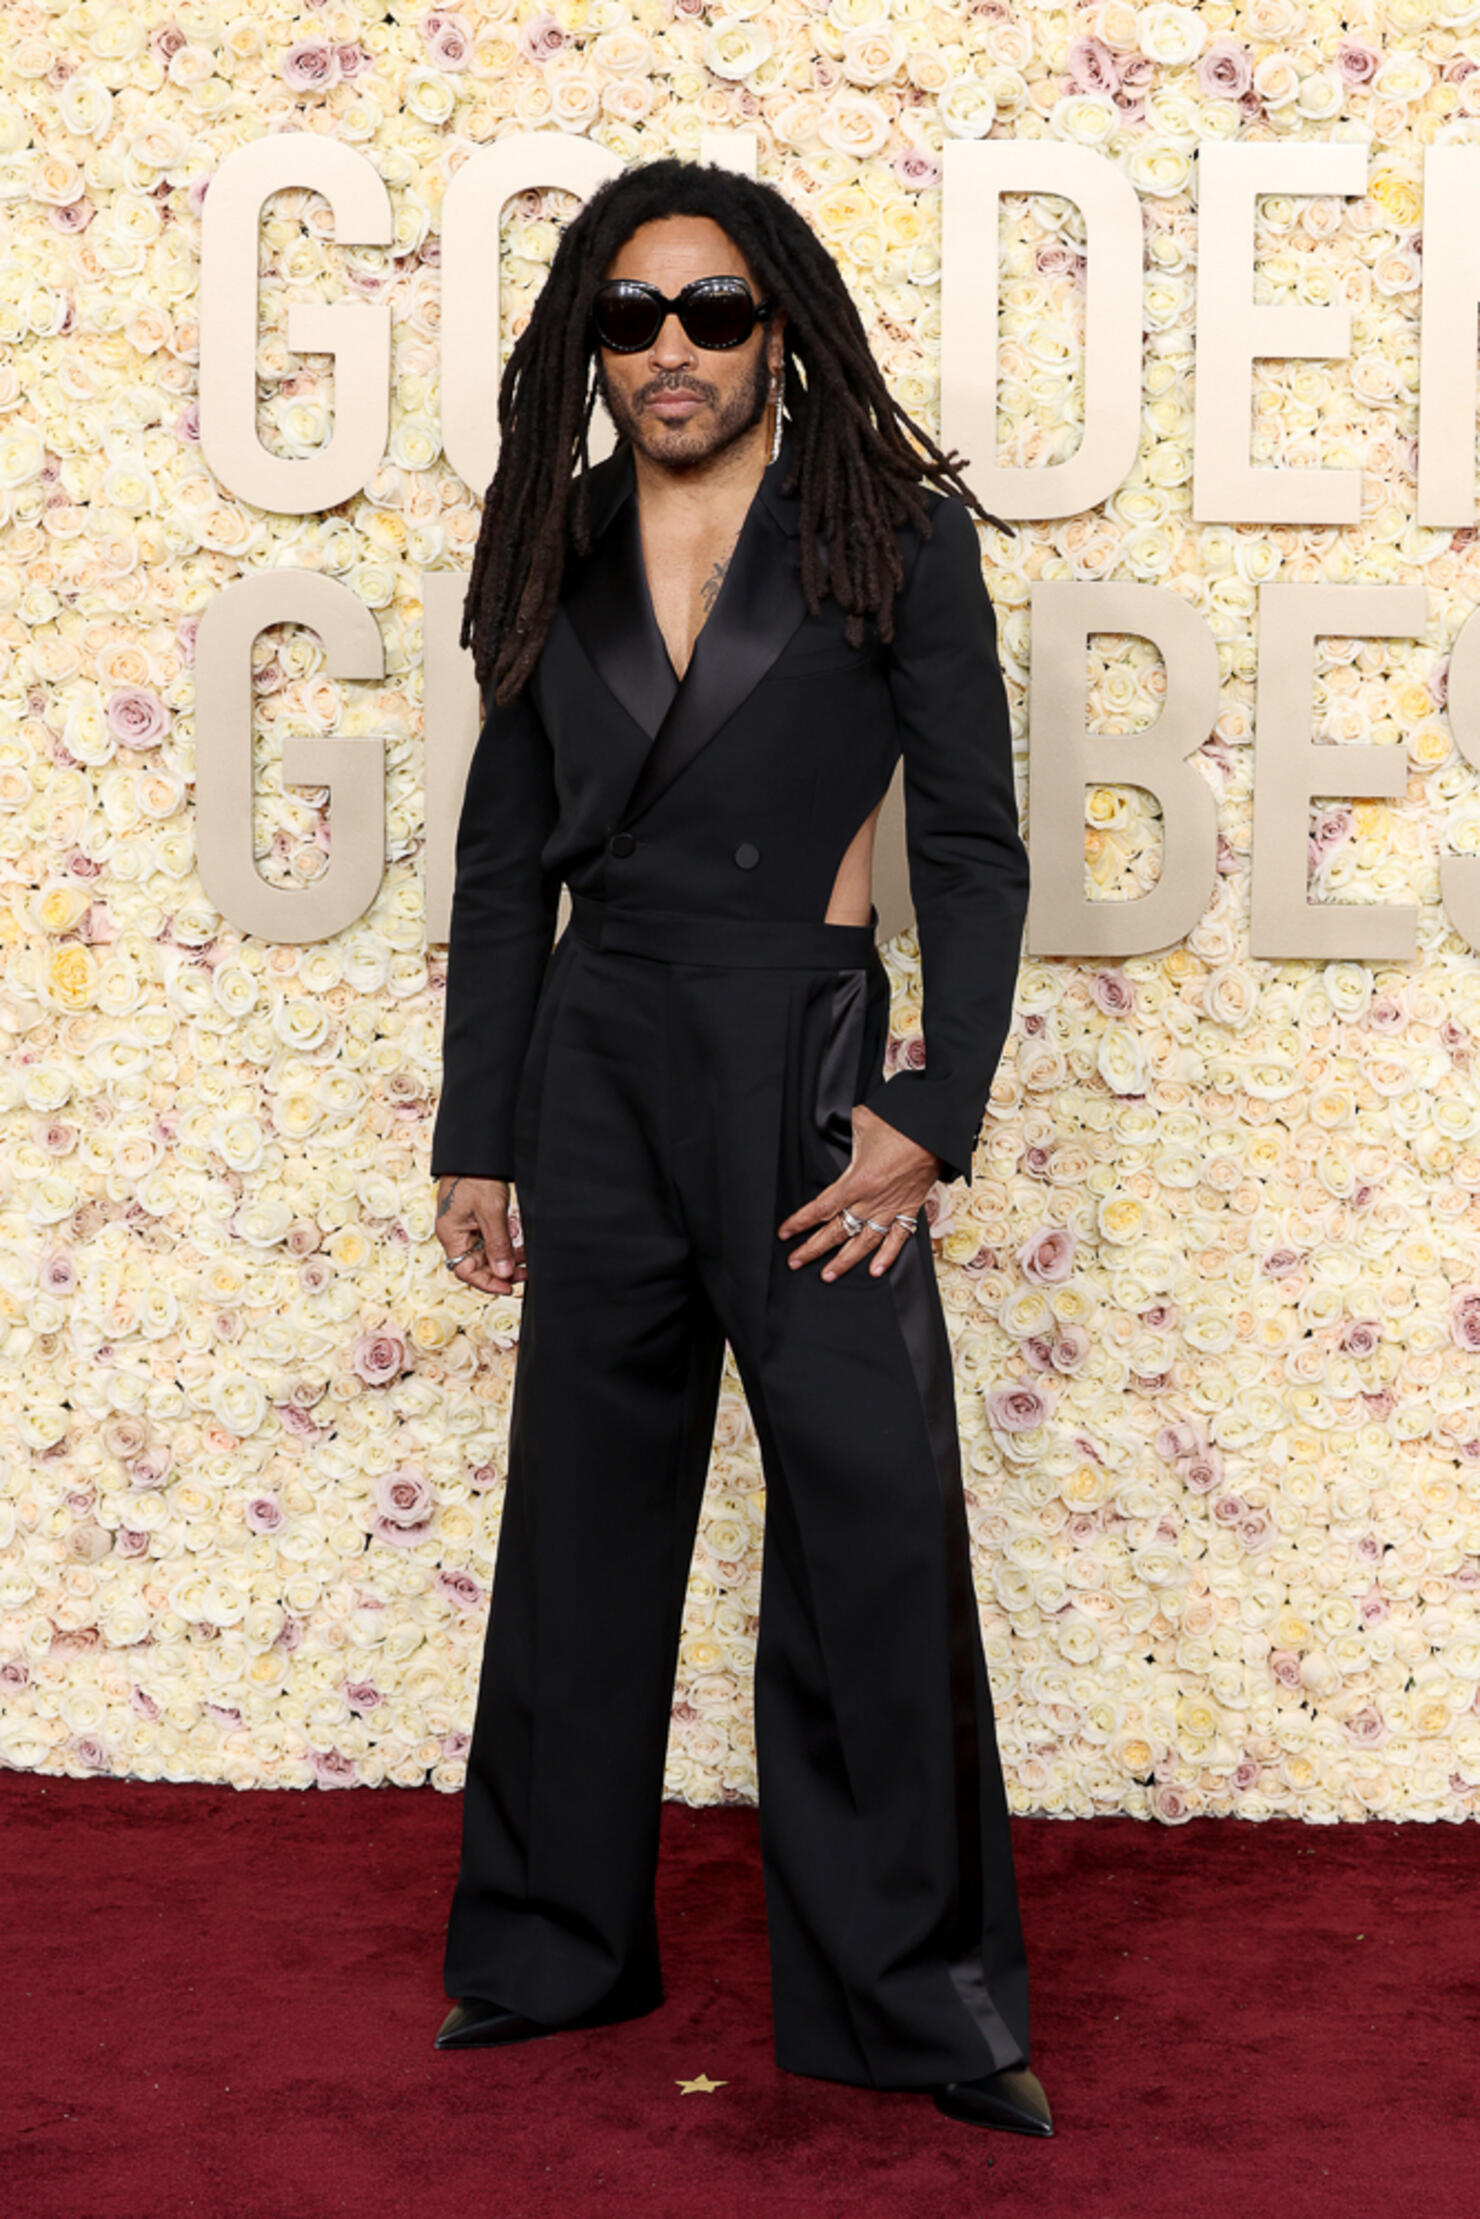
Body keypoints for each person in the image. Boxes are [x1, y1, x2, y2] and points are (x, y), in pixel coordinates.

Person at [429, 157, 1049, 2139]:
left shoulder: (885, 534)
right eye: (628, 317)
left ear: (775, 326)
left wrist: (925, 1112)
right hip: (600, 1062)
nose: (668, 350)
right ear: (585, 347)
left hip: (804, 1058)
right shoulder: (557, 540)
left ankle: (917, 2008)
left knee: (868, 1521)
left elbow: (966, 840)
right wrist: (479, 1135)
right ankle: (544, 1954)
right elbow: (505, 855)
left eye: (707, 312)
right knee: (581, 1523)